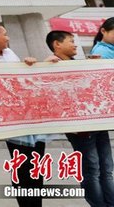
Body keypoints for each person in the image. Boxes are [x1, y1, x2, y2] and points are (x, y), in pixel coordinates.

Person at [0, 22, 47, 207]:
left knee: (36, 169)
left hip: (31, 120)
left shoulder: (10, 54)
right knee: (22, 169)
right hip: (13, 125)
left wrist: (28, 63)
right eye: (4, 34)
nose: (8, 38)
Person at [46, 30, 114, 207]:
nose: (75, 45)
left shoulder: (79, 63)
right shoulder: (51, 66)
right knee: (92, 170)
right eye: (71, 41)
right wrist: (44, 65)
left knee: (107, 168)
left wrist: (95, 66)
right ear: (57, 44)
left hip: (97, 123)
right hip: (81, 129)